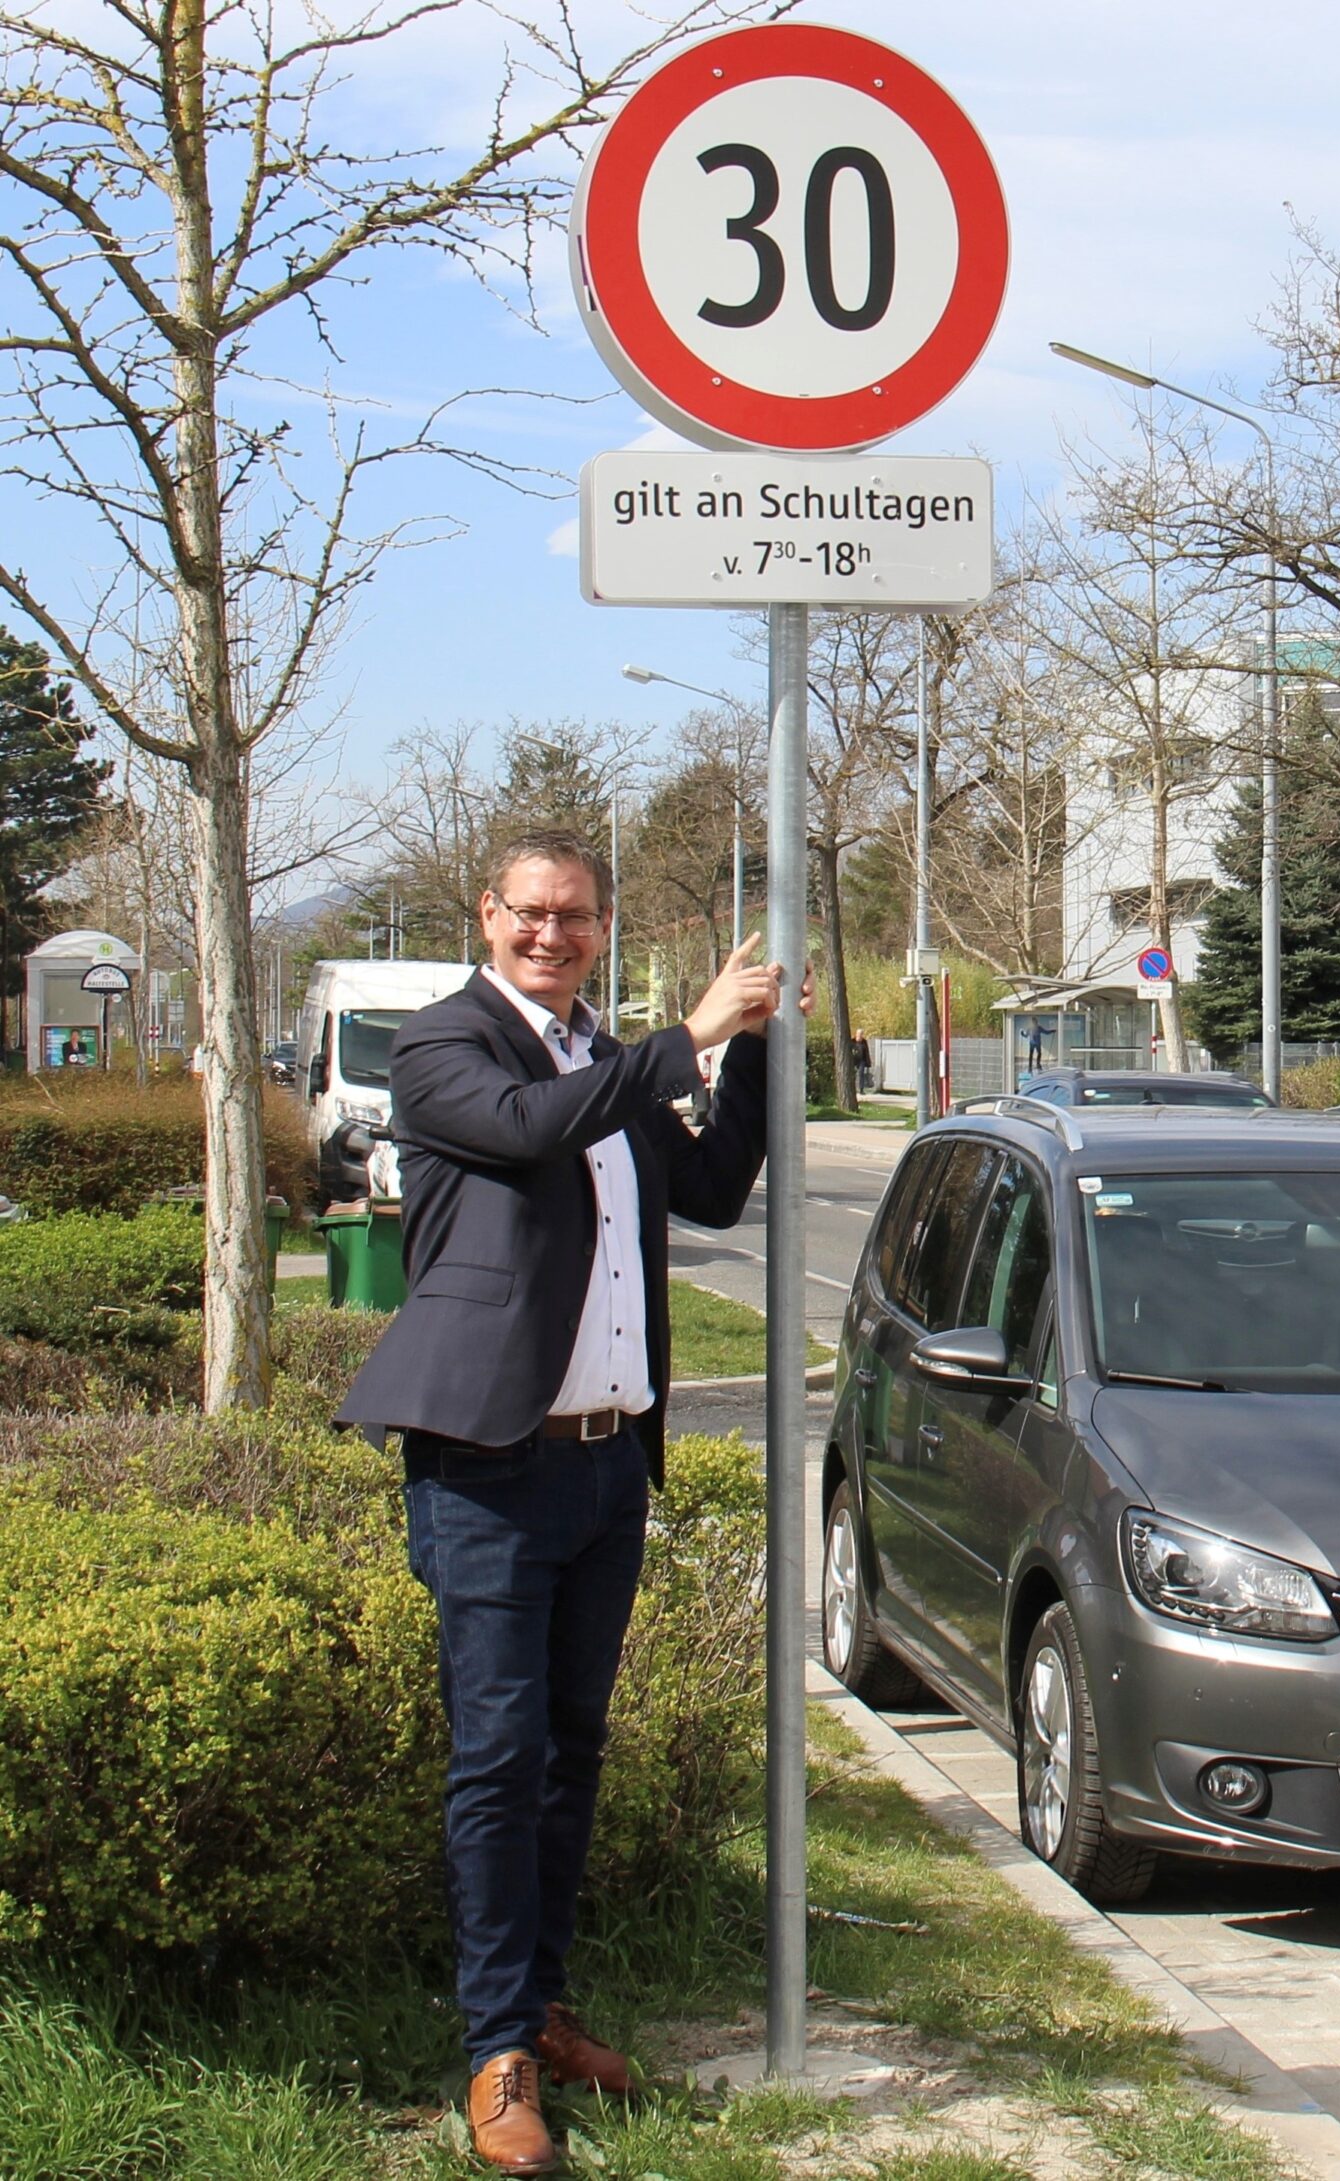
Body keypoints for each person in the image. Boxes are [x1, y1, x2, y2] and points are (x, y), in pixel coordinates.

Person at [336, 826, 806, 2176]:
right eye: (532, 913)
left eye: (577, 916)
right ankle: (492, 2053)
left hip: (609, 1460)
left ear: (601, 926)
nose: (554, 934)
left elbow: (710, 1185)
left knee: (567, 1751)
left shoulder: (608, 1064)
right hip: (490, 1461)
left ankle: (541, 2010)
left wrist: (761, 1035)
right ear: (487, 916)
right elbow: (524, 1132)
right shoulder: (447, 1048)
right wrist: (683, 1033)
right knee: (496, 1758)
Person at [847, 1024, 870, 1104]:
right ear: (856, 1034)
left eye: (861, 1034)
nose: (860, 1035)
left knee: (861, 1074)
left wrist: (868, 1062)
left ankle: (861, 1089)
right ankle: (851, 1089)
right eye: (859, 1034)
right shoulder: (852, 1041)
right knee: (852, 1074)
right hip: (853, 1060)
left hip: (862, 1061)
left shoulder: (864, 1042)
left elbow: (866, 1052)